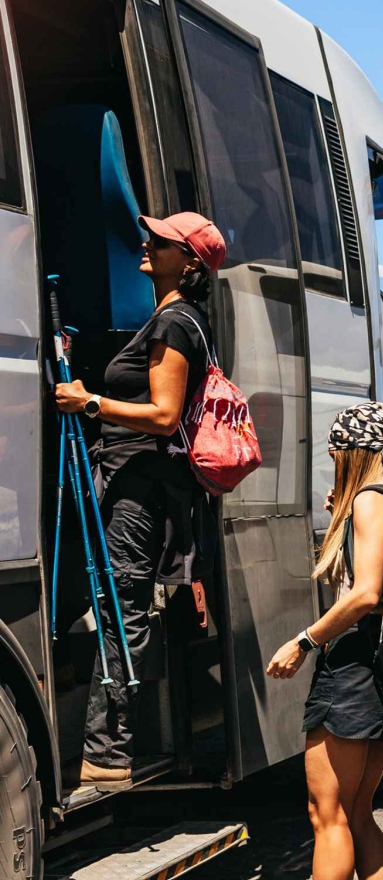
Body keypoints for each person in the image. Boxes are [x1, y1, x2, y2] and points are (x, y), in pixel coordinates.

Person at [252, 402, 383, 880]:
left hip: (352, 671)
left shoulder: (372, 502)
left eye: (335, 451)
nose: (330, 458)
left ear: (355, 451)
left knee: (327, 815)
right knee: (357, 811)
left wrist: (304, 641)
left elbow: (366, 592)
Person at [54, 212, 222, 789]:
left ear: (190, 261)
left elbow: (164, 415)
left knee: (120, 608)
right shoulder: (171, 317)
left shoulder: (175, 322)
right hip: (134, 483)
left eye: (162, 240)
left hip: (140, 490)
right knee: (112, 602)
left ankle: (109, 753)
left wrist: (90, 403)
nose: (147, 244)